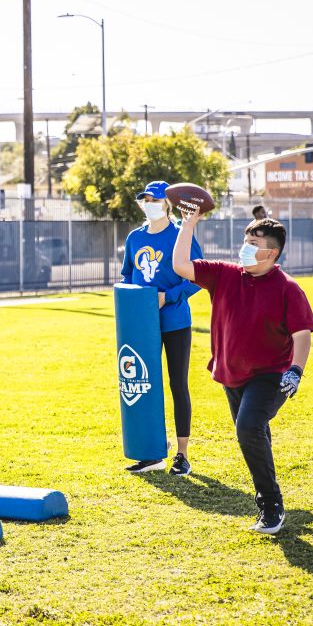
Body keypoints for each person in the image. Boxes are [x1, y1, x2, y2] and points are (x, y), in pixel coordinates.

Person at [172, 210, 313, 535]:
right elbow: (180, 265)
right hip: (231, 374)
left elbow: (302, 334)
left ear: (271, 253)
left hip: (272, 375)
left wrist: (296, 371)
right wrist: (188, 224)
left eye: (253, 243)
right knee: (252, 430)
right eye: (245, 241)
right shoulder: (226, 274)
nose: (245, 248)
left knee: (248, 427)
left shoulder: (287, 289)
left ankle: (271, 506)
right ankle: (270, 499)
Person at [119, 181, 204, 476]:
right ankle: (151, 451)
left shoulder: (180, 234)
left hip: (175, 321)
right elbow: (128, 276)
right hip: (142, 326)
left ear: (167, 203)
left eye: (155, 198)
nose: (149, 203)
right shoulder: (134, 238)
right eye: (145, 199)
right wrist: (133, 304)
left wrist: (168, 296)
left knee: (177, 384)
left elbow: (197, 275)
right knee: (145, 386)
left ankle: (181, 454)